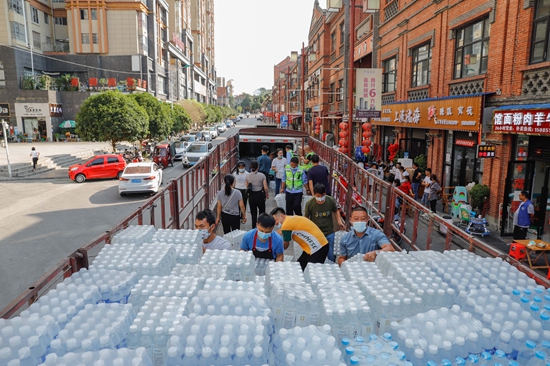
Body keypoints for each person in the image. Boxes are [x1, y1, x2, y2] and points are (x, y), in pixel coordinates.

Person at [304, 183, 345, 263]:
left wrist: (339, 221)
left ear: (325, 193)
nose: (320, 198)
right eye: (318, 196)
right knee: (316, 253)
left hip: (329, 232)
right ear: (315, 194)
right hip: (316, 233)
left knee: (331, 254)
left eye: (322, 196)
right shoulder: (310, 203)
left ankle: (331, 266)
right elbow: (306, 217)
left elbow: (336, 211)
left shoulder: (330, 200)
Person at [246, 160, 269, 228]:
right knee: (262, 212)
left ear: (250, 167)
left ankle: (254, 227)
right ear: (258, 167)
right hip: (260, 195)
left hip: (252, 196)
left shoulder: (247, 175)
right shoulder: (262, 175)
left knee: (253, 214)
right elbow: (265, 187)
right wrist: (266, 194)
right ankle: (262, 226)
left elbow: (246, 186)